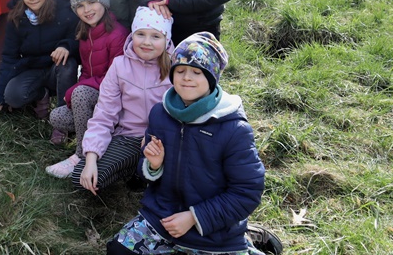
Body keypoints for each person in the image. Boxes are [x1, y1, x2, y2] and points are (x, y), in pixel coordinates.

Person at [107, 32, 280, 255]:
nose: (186, 78)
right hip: (162, 218)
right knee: (117, 251)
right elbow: (145, 171)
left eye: (197, 72)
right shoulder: (160, 113)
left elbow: (247, 192)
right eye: (180, 71)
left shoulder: (233, 128)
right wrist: (153, 165)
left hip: (213, 231)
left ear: (212, 78)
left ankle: (251, 240)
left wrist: (194, 217)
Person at [75, 7, 172, 194]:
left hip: (161, 142)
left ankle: (147, 173)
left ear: (166, 39)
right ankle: (131, 168)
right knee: (82, 179)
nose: (146, 42)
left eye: (155, 36)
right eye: (141, 34)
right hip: (128, 137)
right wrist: (91, 158)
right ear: (132, 34)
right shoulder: (119, 66)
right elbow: (104, 113)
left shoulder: (175, 69)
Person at [46, 0, 129, 178]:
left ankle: (80, 156)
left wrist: (76, 90)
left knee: (81, 93)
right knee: (56, 116)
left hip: (113, 102)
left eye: (92, 2)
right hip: (93, 98)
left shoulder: (117, 35)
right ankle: (100, 137)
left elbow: (115, 81)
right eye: (80, 6)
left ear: (103, 2)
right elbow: (86, 73)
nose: (87, 10)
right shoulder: (85, 33)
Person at [0, 0, 78, 118]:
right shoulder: (17, 18)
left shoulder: (65, 12)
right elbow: (9, 57)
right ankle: (40, 95)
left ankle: (63, 117)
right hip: (31, 69)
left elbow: (77, 37)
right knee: (13, 96)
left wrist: (66, 46)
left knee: (68, 64)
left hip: (57, 69)